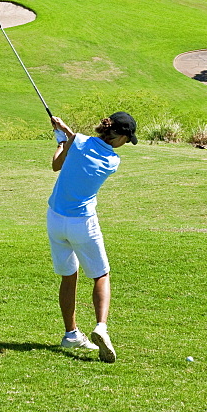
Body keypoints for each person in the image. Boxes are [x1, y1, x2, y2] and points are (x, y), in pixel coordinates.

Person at [47, 111, 137, 363]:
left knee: (69, 276)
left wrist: (62, 140)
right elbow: (79, 142)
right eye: (126, 139)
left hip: (55, 219)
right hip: (82, 223)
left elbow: (57, 164)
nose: (125, 145)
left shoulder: (78, 142)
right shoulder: (112, 161)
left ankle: (71, 333)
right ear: (119, 136)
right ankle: (101, 326)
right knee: (101, 274)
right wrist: (66, 133)